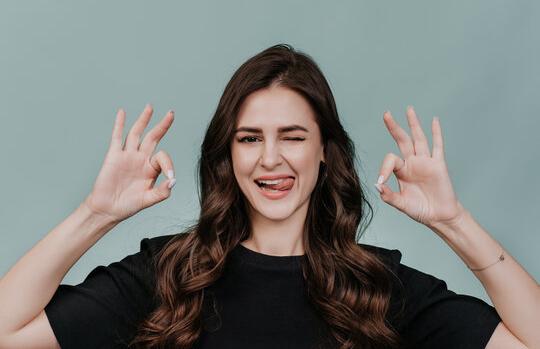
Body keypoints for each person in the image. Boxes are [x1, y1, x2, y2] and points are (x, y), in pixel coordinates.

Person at [0, 44, 538, 349]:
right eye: (250, 138)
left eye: (293, 137)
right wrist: (95, 215)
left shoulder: (378, 288)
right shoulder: (167, 274)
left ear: (325, 152)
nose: (270, 158)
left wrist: (453, 220)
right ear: (228, 155)